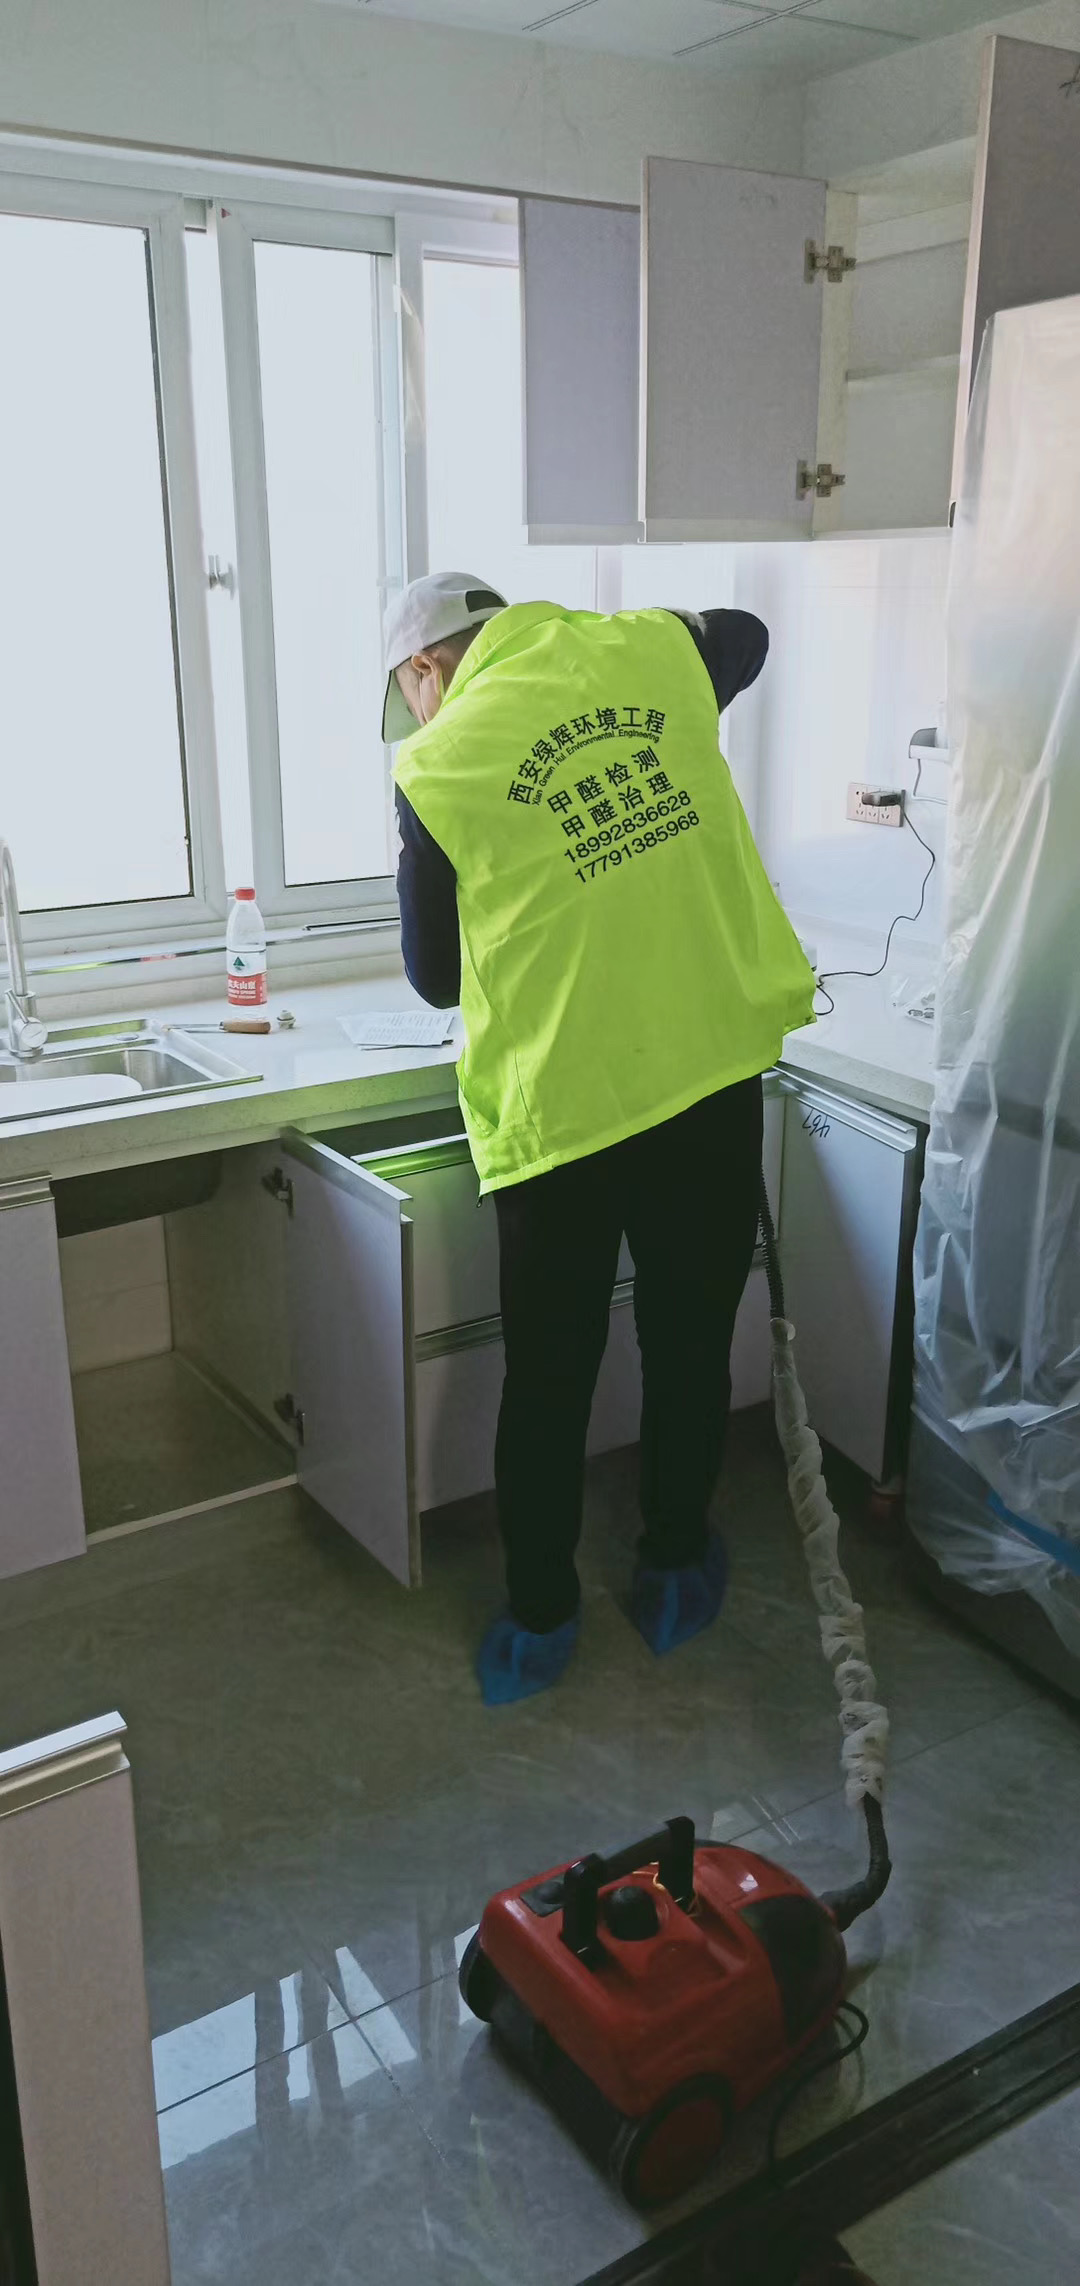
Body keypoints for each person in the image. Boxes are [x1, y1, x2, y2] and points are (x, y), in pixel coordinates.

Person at [381, 573, 815, 1705]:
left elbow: (436, 978)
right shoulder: (654, 654)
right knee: (688, 1341)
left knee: (550, 1373)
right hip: (705, 1083)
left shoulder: (437, 762)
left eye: (409, 691)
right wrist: (651, 641)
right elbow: (747, 634)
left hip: (564, 1115)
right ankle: (672, 1569)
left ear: (426, 669)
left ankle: (540, 1618)